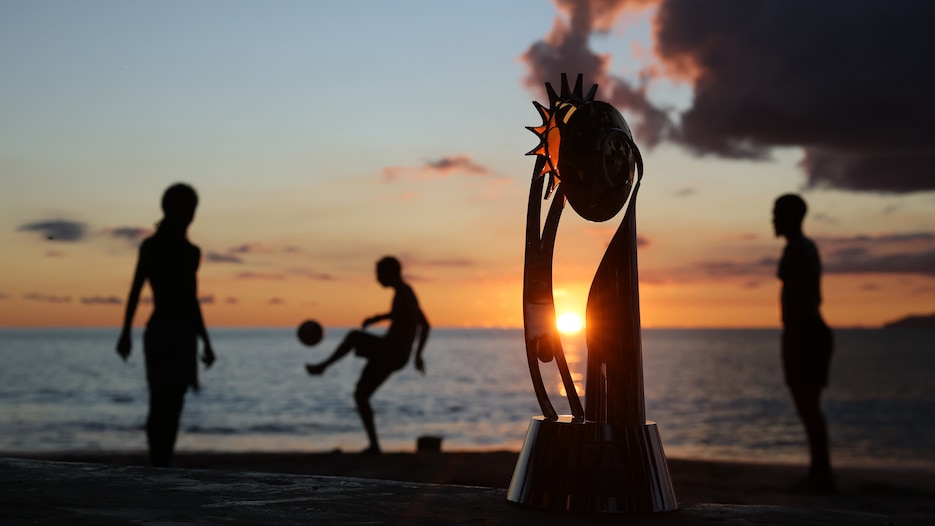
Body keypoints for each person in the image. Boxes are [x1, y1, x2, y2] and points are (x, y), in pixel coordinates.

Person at [116, 183, 216, 467]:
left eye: (193, 209)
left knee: (172, 400)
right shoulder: (154, 247)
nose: (190, 215)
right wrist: (125, 333)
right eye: (187, 208)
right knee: (161, 399)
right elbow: (136, 290)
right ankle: (158, 461)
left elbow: (192, 300)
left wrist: (206, 342)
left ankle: (163, 462)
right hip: (163, 331)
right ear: (170, 209)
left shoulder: (190, 251)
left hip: (180, 332)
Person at [306, 256, 430, 454]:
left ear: (391, 273)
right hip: (394, 353)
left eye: (379, 273)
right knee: (361, 394)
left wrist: (378, 318)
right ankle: (374, 446)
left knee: (354, 336)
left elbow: (413, 320)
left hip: (392, 351)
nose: (377, 278)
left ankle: (323, 366)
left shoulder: (405, 293)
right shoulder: (406, 293)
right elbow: (425, 324)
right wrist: (416, 355)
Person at [772, 193, 834, 492]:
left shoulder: (799, 249)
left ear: (791, 217)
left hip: (805, 333)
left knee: (808, 406)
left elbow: (807, 298)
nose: (773, 220)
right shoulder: (803, 248)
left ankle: (821, 474)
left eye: (777, 213)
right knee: (809, 407)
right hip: (805, 332)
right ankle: (820, 471)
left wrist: (796, 331)